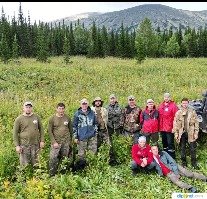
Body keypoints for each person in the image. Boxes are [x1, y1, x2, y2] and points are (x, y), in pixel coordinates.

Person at [13, 101, 44, 168]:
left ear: (31, 108)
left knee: (37, 164)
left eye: (29, 107)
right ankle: (23, 178)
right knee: (24, 165)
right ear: (23, 108)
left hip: (35, 144)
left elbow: (41, 129)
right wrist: (17, 146)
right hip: (24, 145)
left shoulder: (36, 117)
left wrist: (42, 141)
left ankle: (37, 177)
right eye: (26, 107)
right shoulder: (19, 119)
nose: (28, 109)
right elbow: (15, 133)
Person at [172, 98, 200, 169]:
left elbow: (196, 123)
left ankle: (194, 164)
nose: (184, 104)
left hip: (191, 133)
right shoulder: (178, 113)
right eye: (183, 103)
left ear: (188, 103)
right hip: (182, 133)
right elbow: (175, 124)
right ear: (181, 104)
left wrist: (196, 133)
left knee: (193, 149)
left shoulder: (192, 112)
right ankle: (184, 163)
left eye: (186, 103)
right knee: (182, 148)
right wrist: (176, 134)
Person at [48, 102, 73, 176]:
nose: (61, 110)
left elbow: (70, 129)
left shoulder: (67, 117)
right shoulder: (52, 118)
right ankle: (52, 174)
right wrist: (53, 142)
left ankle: (62, 174)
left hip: (66, 142)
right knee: (53, 158)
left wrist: (70, 141)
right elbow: (49, 131)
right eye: (59, 109)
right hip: (56, 142)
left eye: (63, 109)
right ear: (56, 109)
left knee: (64, 158)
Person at [72, 98, 98, 171]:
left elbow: (95, 123)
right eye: (83, 104)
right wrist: (75, 137)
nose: (84, 105)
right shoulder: (77, 114)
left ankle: (92, 168)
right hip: (81, 137)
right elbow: (74, 126)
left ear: (88, 104)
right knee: (81, 154)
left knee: (93, 153)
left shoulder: (92, 113)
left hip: (92, 137)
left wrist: (95, 133)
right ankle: (82, 169)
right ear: (80, 105)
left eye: (85, 103)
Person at [158, 93, 178, 159]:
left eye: (168, 97)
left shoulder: (173, 106)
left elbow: (176, 118)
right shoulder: (161, 106)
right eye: (165, 97)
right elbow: (158, 117)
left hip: (170, 128)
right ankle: (165, 156)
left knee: (170, 143)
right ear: (163, 97)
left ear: (170, 98)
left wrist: (174, 127)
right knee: (164, 143)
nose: (166, 98)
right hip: (162, 128)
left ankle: (172, 157)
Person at [106, 94, 123, 165]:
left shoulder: (119, 106)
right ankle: (111, 155)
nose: (112, 100)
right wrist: (115, 114)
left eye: (113, 99)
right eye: (111, 99)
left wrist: (112, 114)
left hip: (117, 126)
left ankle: (119, 155)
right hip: (110, 126)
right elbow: (107, 115)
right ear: (109, 100)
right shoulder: (107, 106)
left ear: (115, 99)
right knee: (110, 142)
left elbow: (120, 114)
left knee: (118, 140)